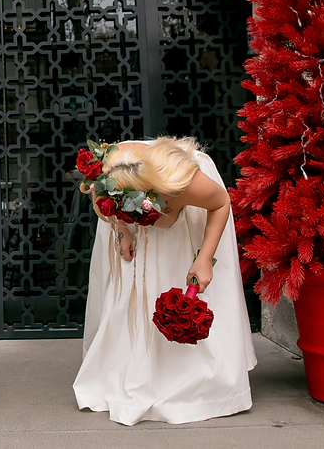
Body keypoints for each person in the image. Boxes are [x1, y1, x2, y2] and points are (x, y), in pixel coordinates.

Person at [73, 137, 256, 425]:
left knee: (174, 266)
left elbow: (221, 203)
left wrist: (204, 258)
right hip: (134, 175)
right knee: (133, 284)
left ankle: (188, 376)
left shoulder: (185, 183)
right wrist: (123, 228)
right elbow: (101, 194)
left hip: (181, 192)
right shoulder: (109, 166)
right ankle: (136, 367)